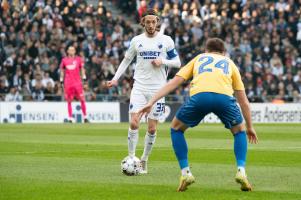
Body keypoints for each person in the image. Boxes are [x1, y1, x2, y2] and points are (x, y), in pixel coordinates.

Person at [138, 38, 258, 191]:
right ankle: (241, 171)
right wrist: (250, 127)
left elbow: (174, 82)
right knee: (239, 131)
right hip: (224, 98)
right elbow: (244, 101)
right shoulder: (230, 63)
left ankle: (186, 172)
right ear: (223, 52)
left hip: (200, 97)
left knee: (176, 129)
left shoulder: (199, 58)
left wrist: (152, 101)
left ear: (206, 50)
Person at [107, 9, 181, 174]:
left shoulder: (166, 40)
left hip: (158, 90)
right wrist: (115, 78)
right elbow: (126, 60)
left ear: (157, 22)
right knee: (134, 122)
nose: (150, 25)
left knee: (152, 128)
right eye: (147, 22)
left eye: (153, 22)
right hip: (139, 87)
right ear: (143, 23)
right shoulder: (136, 41)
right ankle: (132, 157)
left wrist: (162, 61)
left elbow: (177, 62)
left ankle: (144, 160)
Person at [60, 45, 89, 123]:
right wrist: (61, 80)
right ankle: (70, 118)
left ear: (75, 51)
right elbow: (62, 71)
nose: (71, 51)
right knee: (69, 101)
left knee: (82, 99)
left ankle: (85, 117)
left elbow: (82, 69)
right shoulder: (64, 60)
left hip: (77, 83)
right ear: (68, 51)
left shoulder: (78, 59)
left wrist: (84, 79)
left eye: (73, 50)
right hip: (68, 83)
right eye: (70, 50)